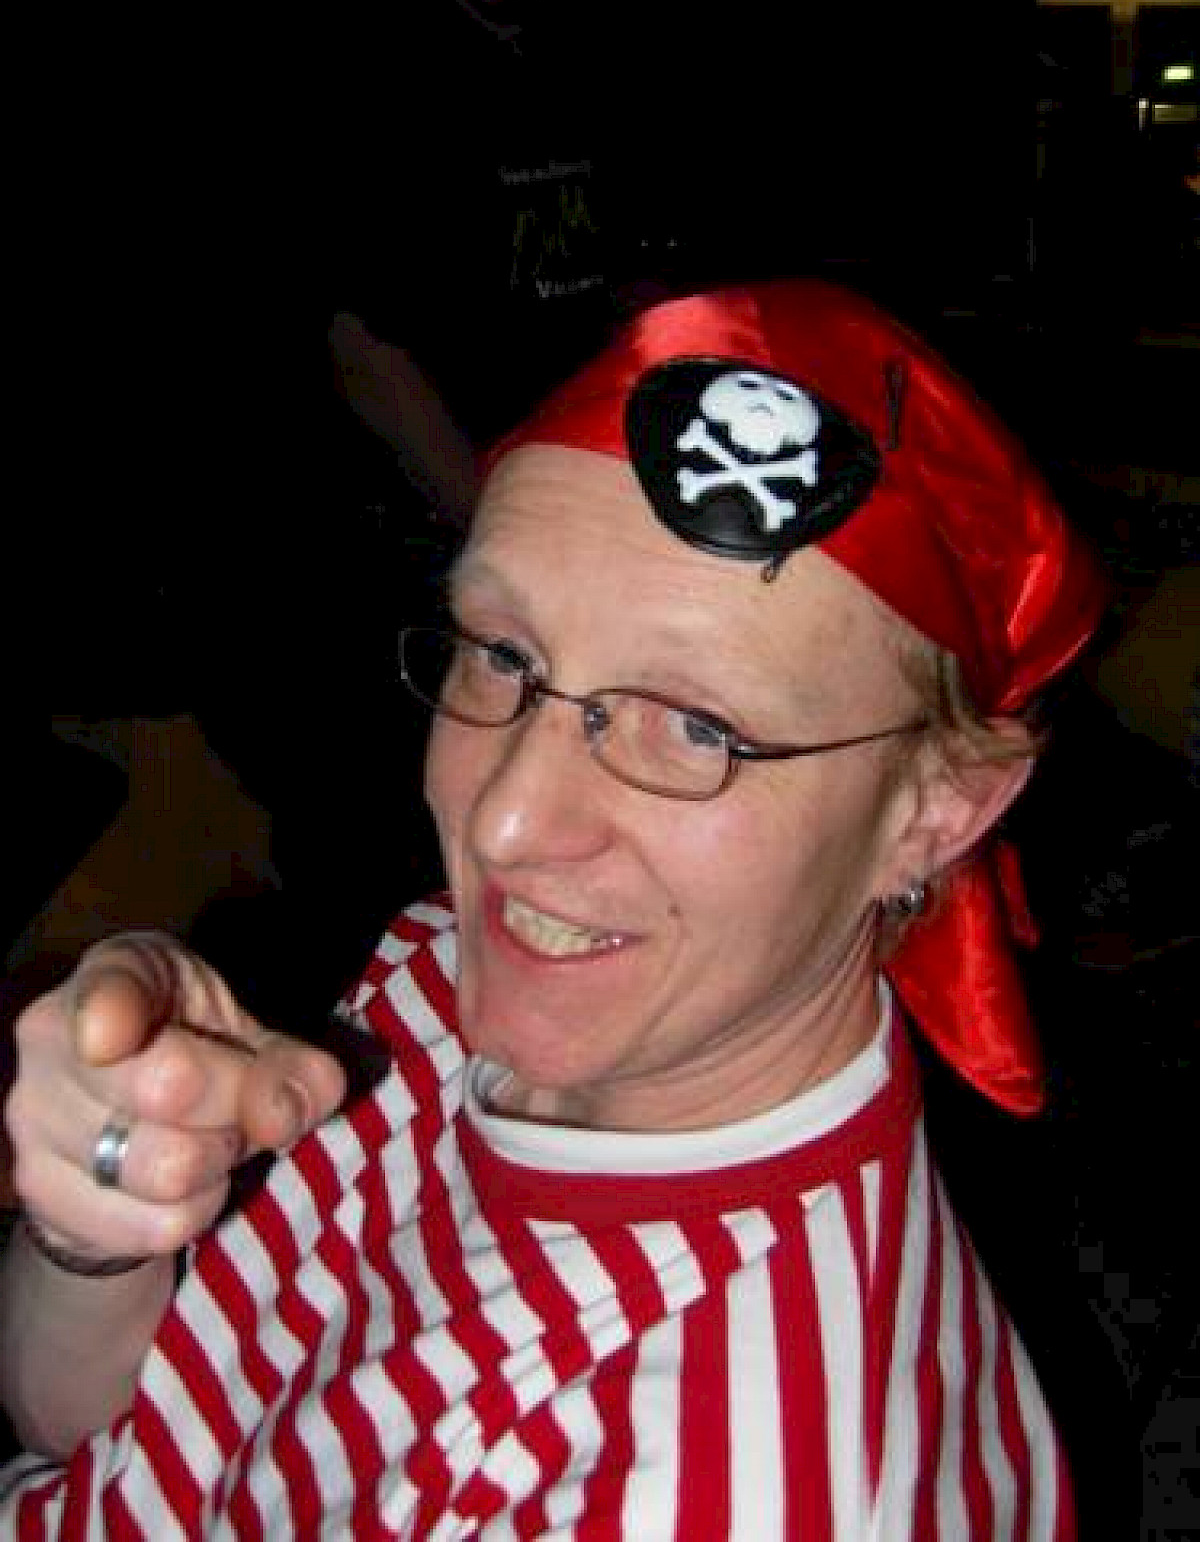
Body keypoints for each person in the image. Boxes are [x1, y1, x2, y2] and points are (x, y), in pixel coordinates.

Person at [1, 281, 1108, 1538]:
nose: (506, 821)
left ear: (938, 808)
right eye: (505, 656)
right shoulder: (444, 977)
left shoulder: (737, 1488)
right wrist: (101, 1224)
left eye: (696, 725)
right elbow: (100, 1445)